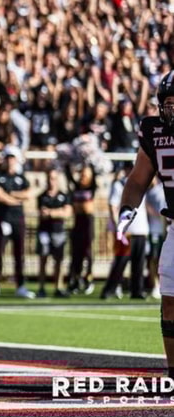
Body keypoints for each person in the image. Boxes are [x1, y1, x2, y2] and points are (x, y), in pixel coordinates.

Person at [116, 69, 174, 378]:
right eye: (169, 102)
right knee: (170, 301)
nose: (173, 109)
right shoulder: (154, 131)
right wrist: (127, 210)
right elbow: (139, 179)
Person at [0, 145, 35, 299]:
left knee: (19, 254)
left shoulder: (21, 177)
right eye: (8, 158)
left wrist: (13, 195)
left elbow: (29, 194)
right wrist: (15, 199)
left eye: (12, 158)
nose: (10, 161)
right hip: (3, 219)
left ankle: (20, 285)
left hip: (18, 219)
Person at [103, 162, 149, 299]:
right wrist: (120, 227)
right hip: (127, 231)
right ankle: (109, 290)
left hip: (141, 229)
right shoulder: (119, 185)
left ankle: (137, 290)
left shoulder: (141, 185)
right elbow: (113, 206)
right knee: (120, 262)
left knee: (139, 263)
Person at [36, 169, 72, 298]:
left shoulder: (64, 196)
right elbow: (42, 214)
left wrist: (51, 212)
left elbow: (67, 213)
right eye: (50, 178)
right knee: (43, 259)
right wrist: (58, 212)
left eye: (54, 178)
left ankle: (59, 286)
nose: (52, 181)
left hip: (58, 231)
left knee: (59, 260)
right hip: (44, 231)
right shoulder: (42, 196)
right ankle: (41, 287)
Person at [65, 163, 98, 294]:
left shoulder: (92, 187)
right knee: (76, 253)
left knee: (87, 252)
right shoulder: (76, 187)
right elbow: (69, 177)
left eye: (85, 174)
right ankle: (75, 279)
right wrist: (67, 165)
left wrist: (91, 163)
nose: (83, 176)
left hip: (88, 222)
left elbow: (94, 175)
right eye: (82, 174)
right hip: (77, 221)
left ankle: (88, 279)